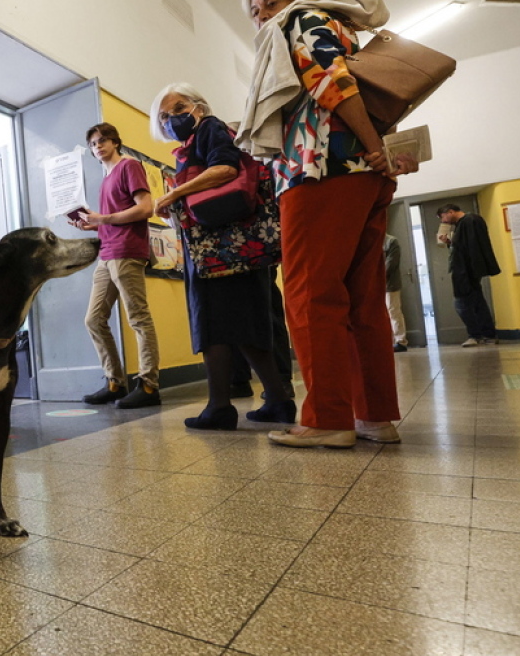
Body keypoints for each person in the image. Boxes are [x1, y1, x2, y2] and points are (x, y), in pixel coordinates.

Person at [236, 0, 419, 448]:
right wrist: (377, 153)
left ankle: (327, 418)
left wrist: (374, 146)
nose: (262, 11)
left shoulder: (299, 19)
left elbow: (332, 83)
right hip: (361, 174)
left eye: (270, 1)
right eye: (253, 7)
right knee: (363, 300)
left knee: (310, 293)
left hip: (315, 168)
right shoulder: (341, 27)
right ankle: (373, 416)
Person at [150, 84, 295, 430]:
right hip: (232, 245)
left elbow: (226, 169)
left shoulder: (210, 128)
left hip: (218, 246)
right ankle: (277, 401)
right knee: (242, 325)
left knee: (213, 323)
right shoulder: (193, 143)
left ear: (199, 107)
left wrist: (173, 194)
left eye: (179, 108)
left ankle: (219, 407)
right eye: (164, 116)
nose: (172, 119)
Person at [71, 122, 163, 409]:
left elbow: (145, 208)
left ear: (115, 142)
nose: (97, 147)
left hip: (127, 251)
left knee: (138, 317)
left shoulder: (129, 166)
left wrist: (103, 219)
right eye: (93, 144)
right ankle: (115, 382)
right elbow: (111, 219)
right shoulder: (106, 178)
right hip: (107, 252)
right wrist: (93, 225)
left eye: (102, 141)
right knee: (93, 319)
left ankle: (149, 386)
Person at [437, 204, 501, 347]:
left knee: (462, 304)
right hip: (466, 269)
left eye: (443, 217)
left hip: (466, 271)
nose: (443, 221)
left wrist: (473, 269)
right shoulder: (464, 223)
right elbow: (463, 247)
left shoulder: (470, 221)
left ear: (450, 212)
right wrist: (450, 243)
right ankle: (488, 334)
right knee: (477, 302)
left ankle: (475, 335)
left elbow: (472, 247)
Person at [384, 233, 409, 352]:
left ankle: (400, 341)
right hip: (376, 285)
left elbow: (391, 264)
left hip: (390, 285)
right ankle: (389, 341)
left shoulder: (391, 241)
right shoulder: (372, 240)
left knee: (393, 312)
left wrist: (375, 276)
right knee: (384, 315)